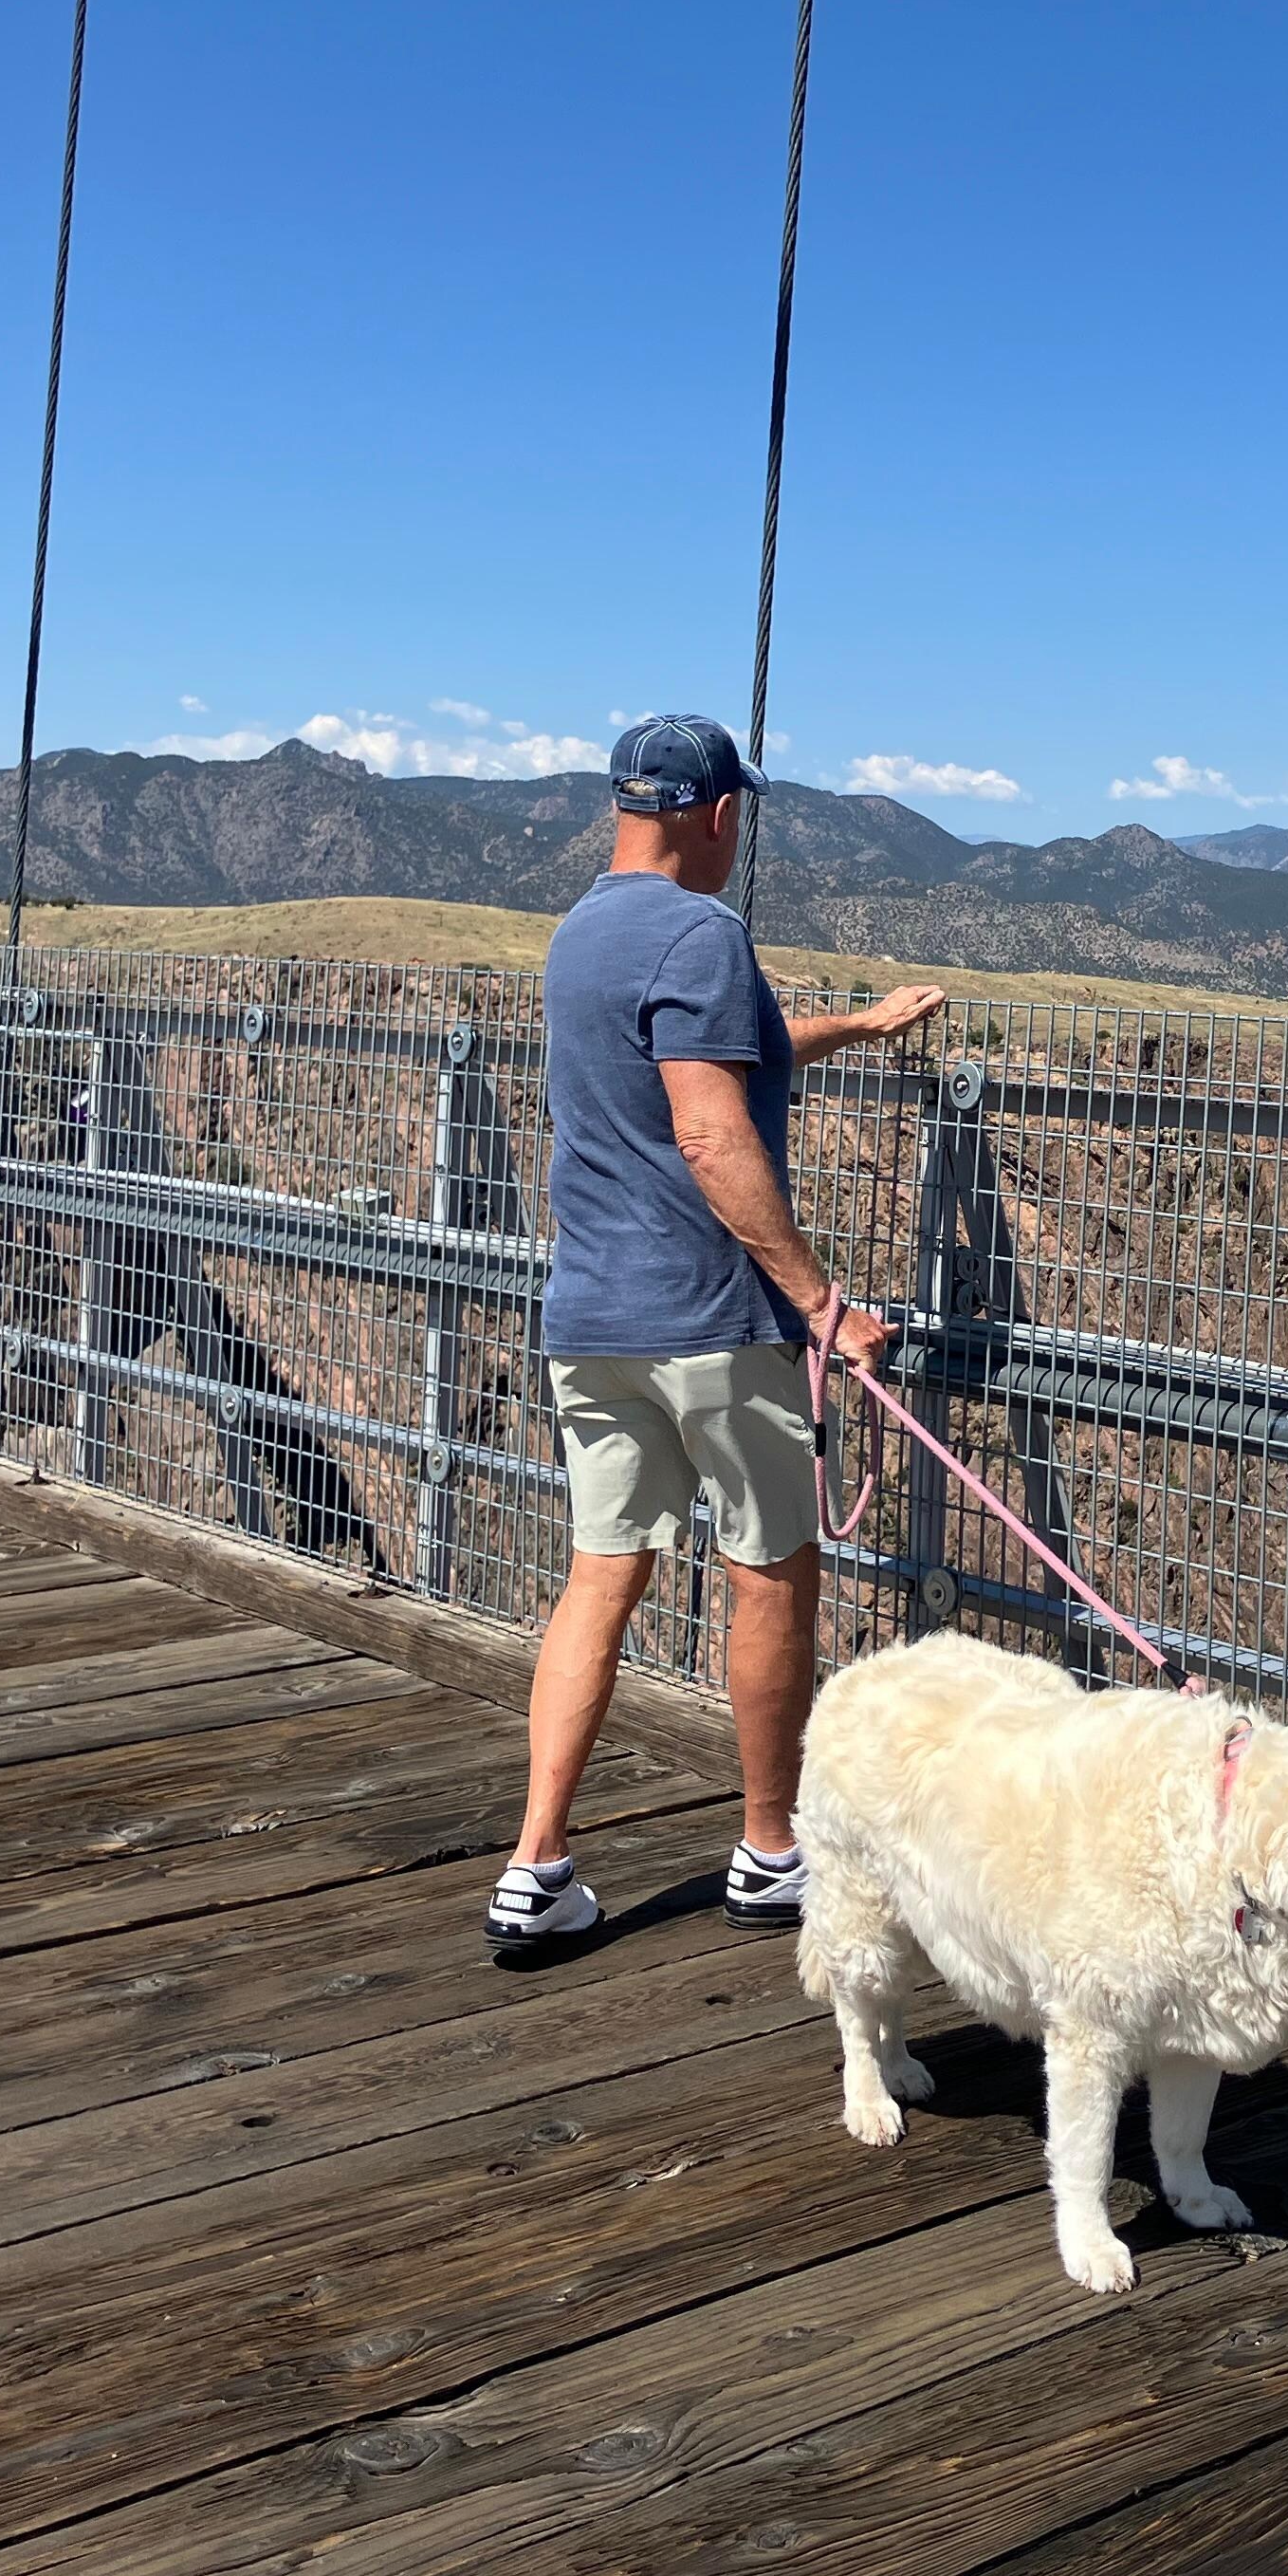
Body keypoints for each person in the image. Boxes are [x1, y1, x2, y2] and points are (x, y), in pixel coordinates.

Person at [485, 713, 946, 1959]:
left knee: (600, 1576)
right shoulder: (707, 933)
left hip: (592, 1317)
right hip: (712, 1319)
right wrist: (821, 1303)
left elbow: (709, 1058)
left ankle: (535, 1866)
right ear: (723, 813)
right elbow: (707, 1124)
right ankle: (769, 1850)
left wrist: (854, 1028)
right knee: (769, 1571)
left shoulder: (576, 939)